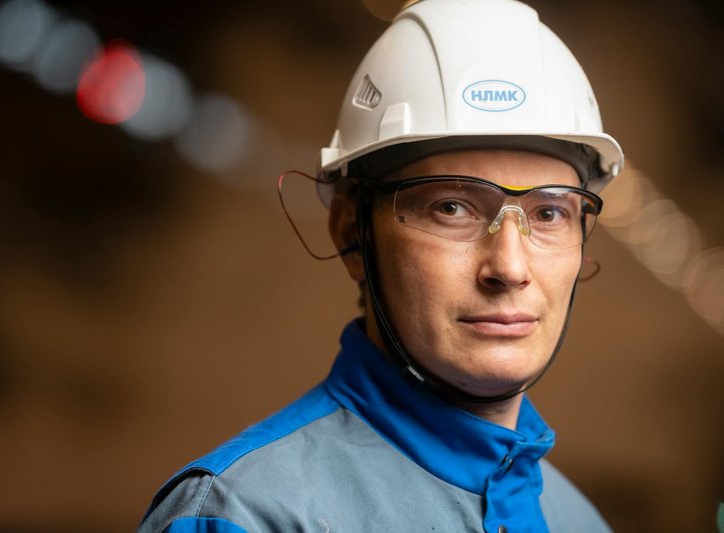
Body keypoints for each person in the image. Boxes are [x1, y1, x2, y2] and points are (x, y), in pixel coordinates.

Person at [139, 0, 624, 531]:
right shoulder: (243, 516)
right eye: (451, 207)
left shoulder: (579, 521)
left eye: (548, 212)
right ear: (352, 234)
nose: (509, 267)